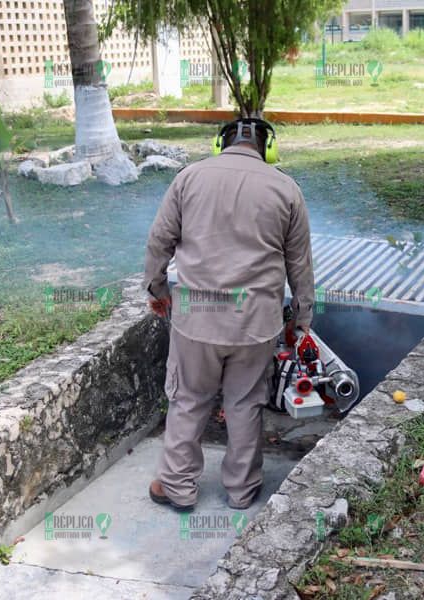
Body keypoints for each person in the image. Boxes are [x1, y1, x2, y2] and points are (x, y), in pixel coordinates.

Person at [143, 117, 315, 510]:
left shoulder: (189, 177)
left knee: (188, 398)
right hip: (256, 324)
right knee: (245, 403)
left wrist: (157, 289)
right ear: (267, 148)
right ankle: (241, 490)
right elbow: (300, 266)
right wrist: (300, 321)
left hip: (196, 320)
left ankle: (177, 487)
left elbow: (159, 240)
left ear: (219, 144)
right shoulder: (286, 188)